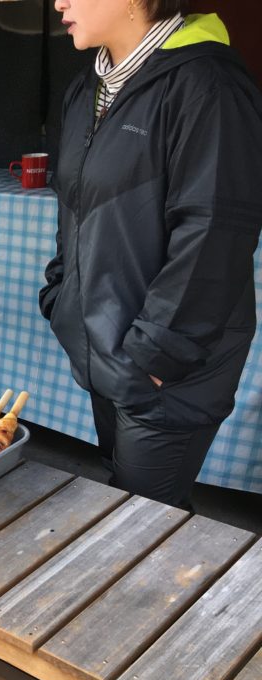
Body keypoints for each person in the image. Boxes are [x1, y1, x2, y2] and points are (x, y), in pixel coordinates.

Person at [40, 0, 262, 509]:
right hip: (103, 344)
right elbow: (74, 209)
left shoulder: (207, 85)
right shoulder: (85, 90)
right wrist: (63, 298)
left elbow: (214, 233)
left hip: (170, 365)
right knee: (123, 500)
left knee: (143, 525)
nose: (59, 3)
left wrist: (154, 357)